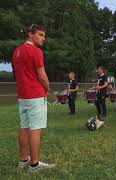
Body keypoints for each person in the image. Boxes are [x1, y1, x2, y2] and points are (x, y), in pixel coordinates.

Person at [13, 24, 55, 172]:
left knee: (24, 127)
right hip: (35, 95)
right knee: (35, 130)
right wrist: (48, 89)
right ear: (30, 34)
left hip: (23, 95)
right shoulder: (36, 51)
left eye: (44, 36)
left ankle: (24, 159)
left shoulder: (17, 51)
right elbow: (42, 76)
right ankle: (34, 165)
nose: (43, 38)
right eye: (40, 35)